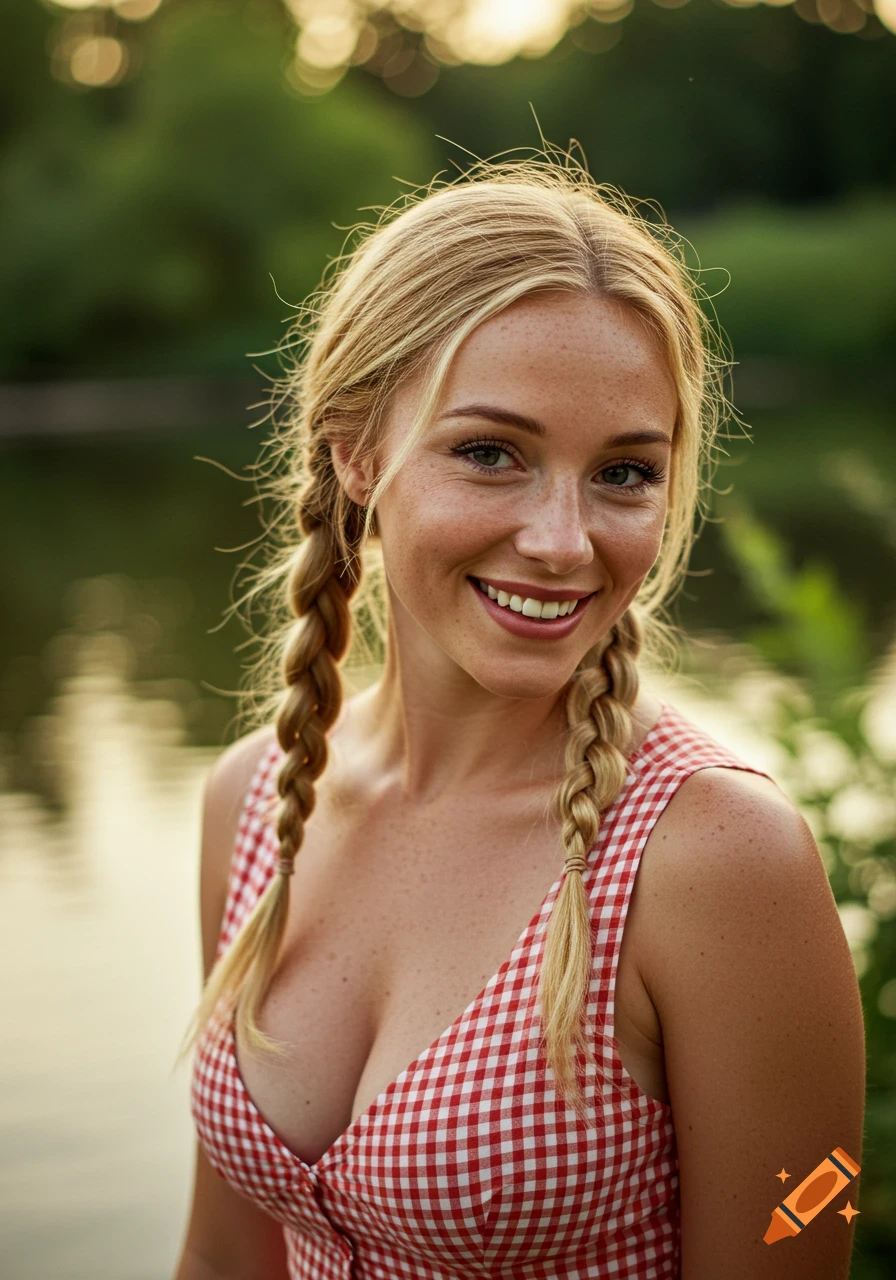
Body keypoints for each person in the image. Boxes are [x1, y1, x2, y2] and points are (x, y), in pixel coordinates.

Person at [172, 154, 865, 1279]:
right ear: (354, 450)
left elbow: (804, 1222)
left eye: (624, 473)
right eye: (490, 453)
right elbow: (220, 1257)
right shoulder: (254, 802)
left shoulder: (716, 859)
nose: (561, 538)